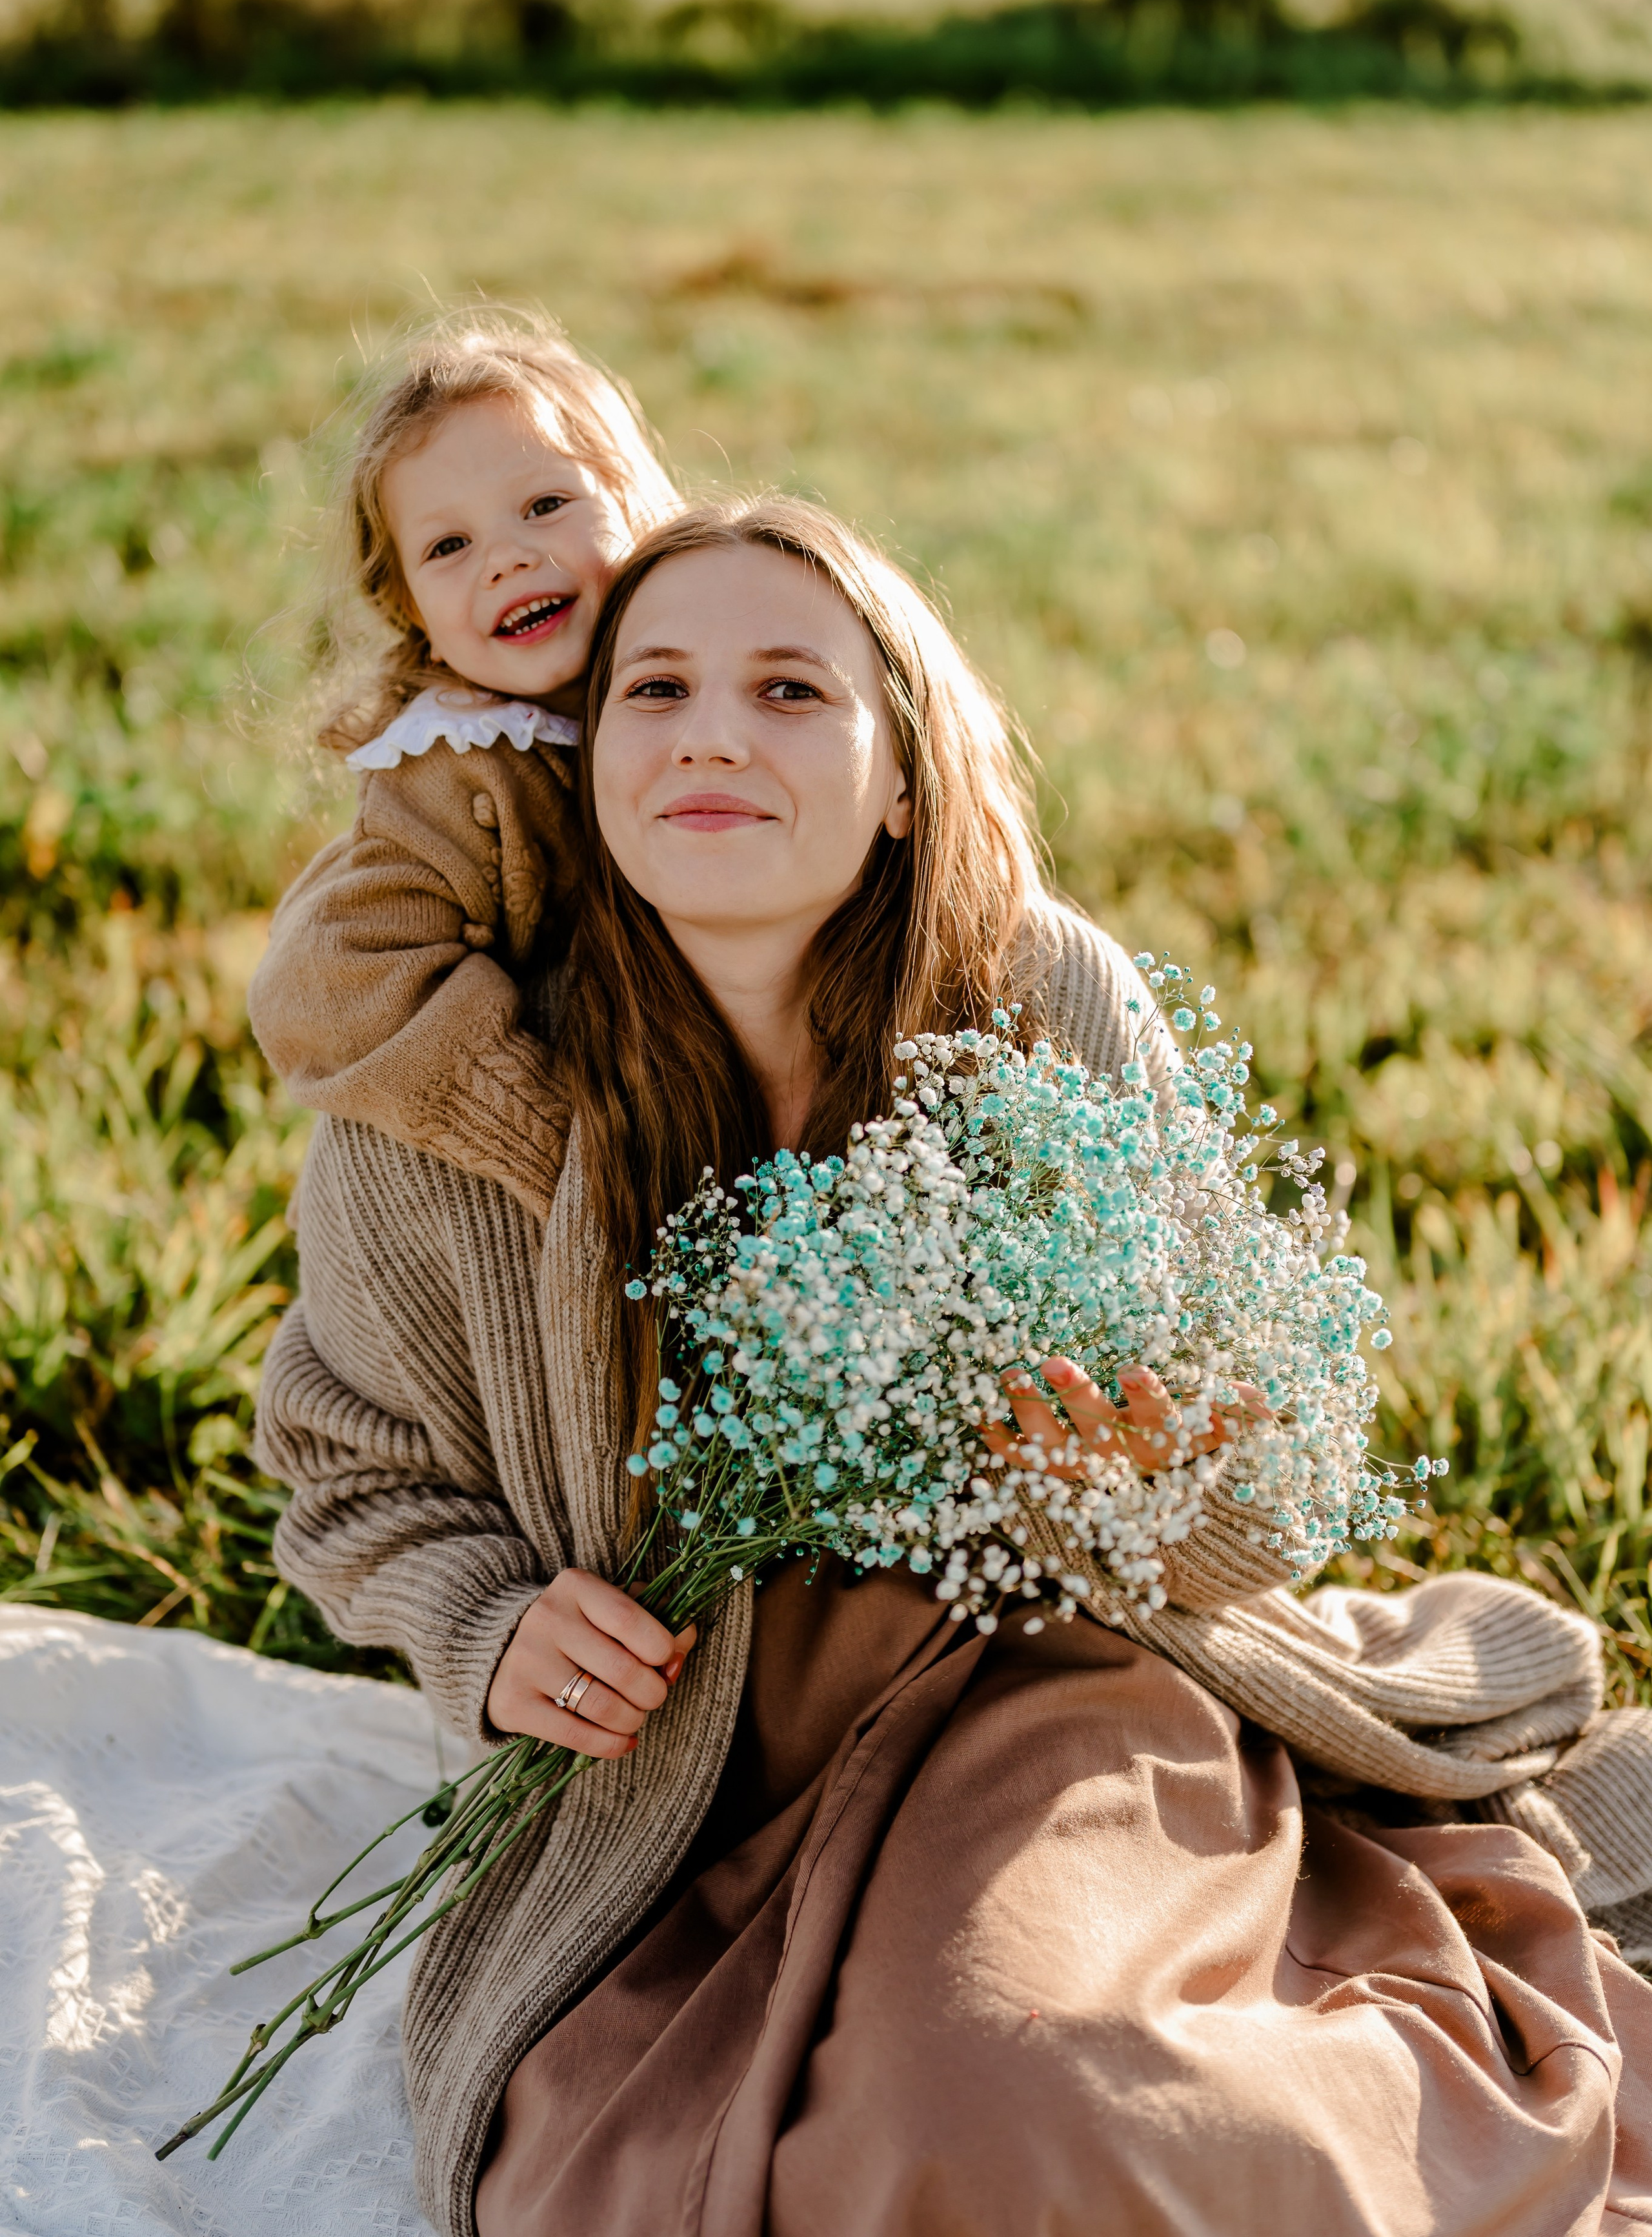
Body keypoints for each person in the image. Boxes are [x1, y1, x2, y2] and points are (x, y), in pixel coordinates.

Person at [256, 498, 1652, 2237]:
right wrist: (489, 1628)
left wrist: (1143, 1479)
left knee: (1044, 2105)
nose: (710, 737)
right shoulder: (455, 1092)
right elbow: (348, 1466)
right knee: (651, 2173)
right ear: (588, 753)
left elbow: (1269, 1466)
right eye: (655, 689)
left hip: (1036, 1686)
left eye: (790, 693)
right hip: (684, 1778)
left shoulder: (1036, 999)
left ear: (904, 770)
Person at [248, 307, 679, 1218]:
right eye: (450, 547)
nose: (508, 559)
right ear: (410, 611)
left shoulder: (698, 680)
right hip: (490, 1200)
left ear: (641, 506)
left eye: (546, 505)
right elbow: (320, 983)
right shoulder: (463, 773)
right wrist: (558, 1141)